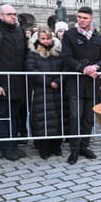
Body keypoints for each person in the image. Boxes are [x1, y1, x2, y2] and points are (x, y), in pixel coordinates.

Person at [61, 6, 101, 165]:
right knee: (75, 117)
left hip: (92, 82)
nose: (81, 20)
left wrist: (96, 67)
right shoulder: (69, 35)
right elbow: (66, 57)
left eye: (85, 18)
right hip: (75, 83)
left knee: (88, 118)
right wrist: (83, 68)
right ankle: (74, 149)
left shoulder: (97, 37)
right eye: (79, 17)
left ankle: (84, 146)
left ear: (91, 19)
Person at [0, 4, 28, 161]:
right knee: (2, 116)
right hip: (1, 83)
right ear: (0, 16)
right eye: (9, 14)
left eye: (14, 14)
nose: (13, 16)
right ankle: (5, 148)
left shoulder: (20, 31)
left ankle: (13, 145)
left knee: (14, 115)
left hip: (18, 83)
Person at [25, 25, 64, 159]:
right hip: (41, 90)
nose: (46, 41)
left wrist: (58, 81)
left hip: (57, 90)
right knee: (42, 120)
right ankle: (43, 147)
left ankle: (56, 146)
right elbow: (31, 70)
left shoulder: (58, 52)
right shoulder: (33, 53)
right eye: (43, 38)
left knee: (57, 118)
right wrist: (48, 82)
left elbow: (64, 69)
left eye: (48, 38)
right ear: (38, 39)